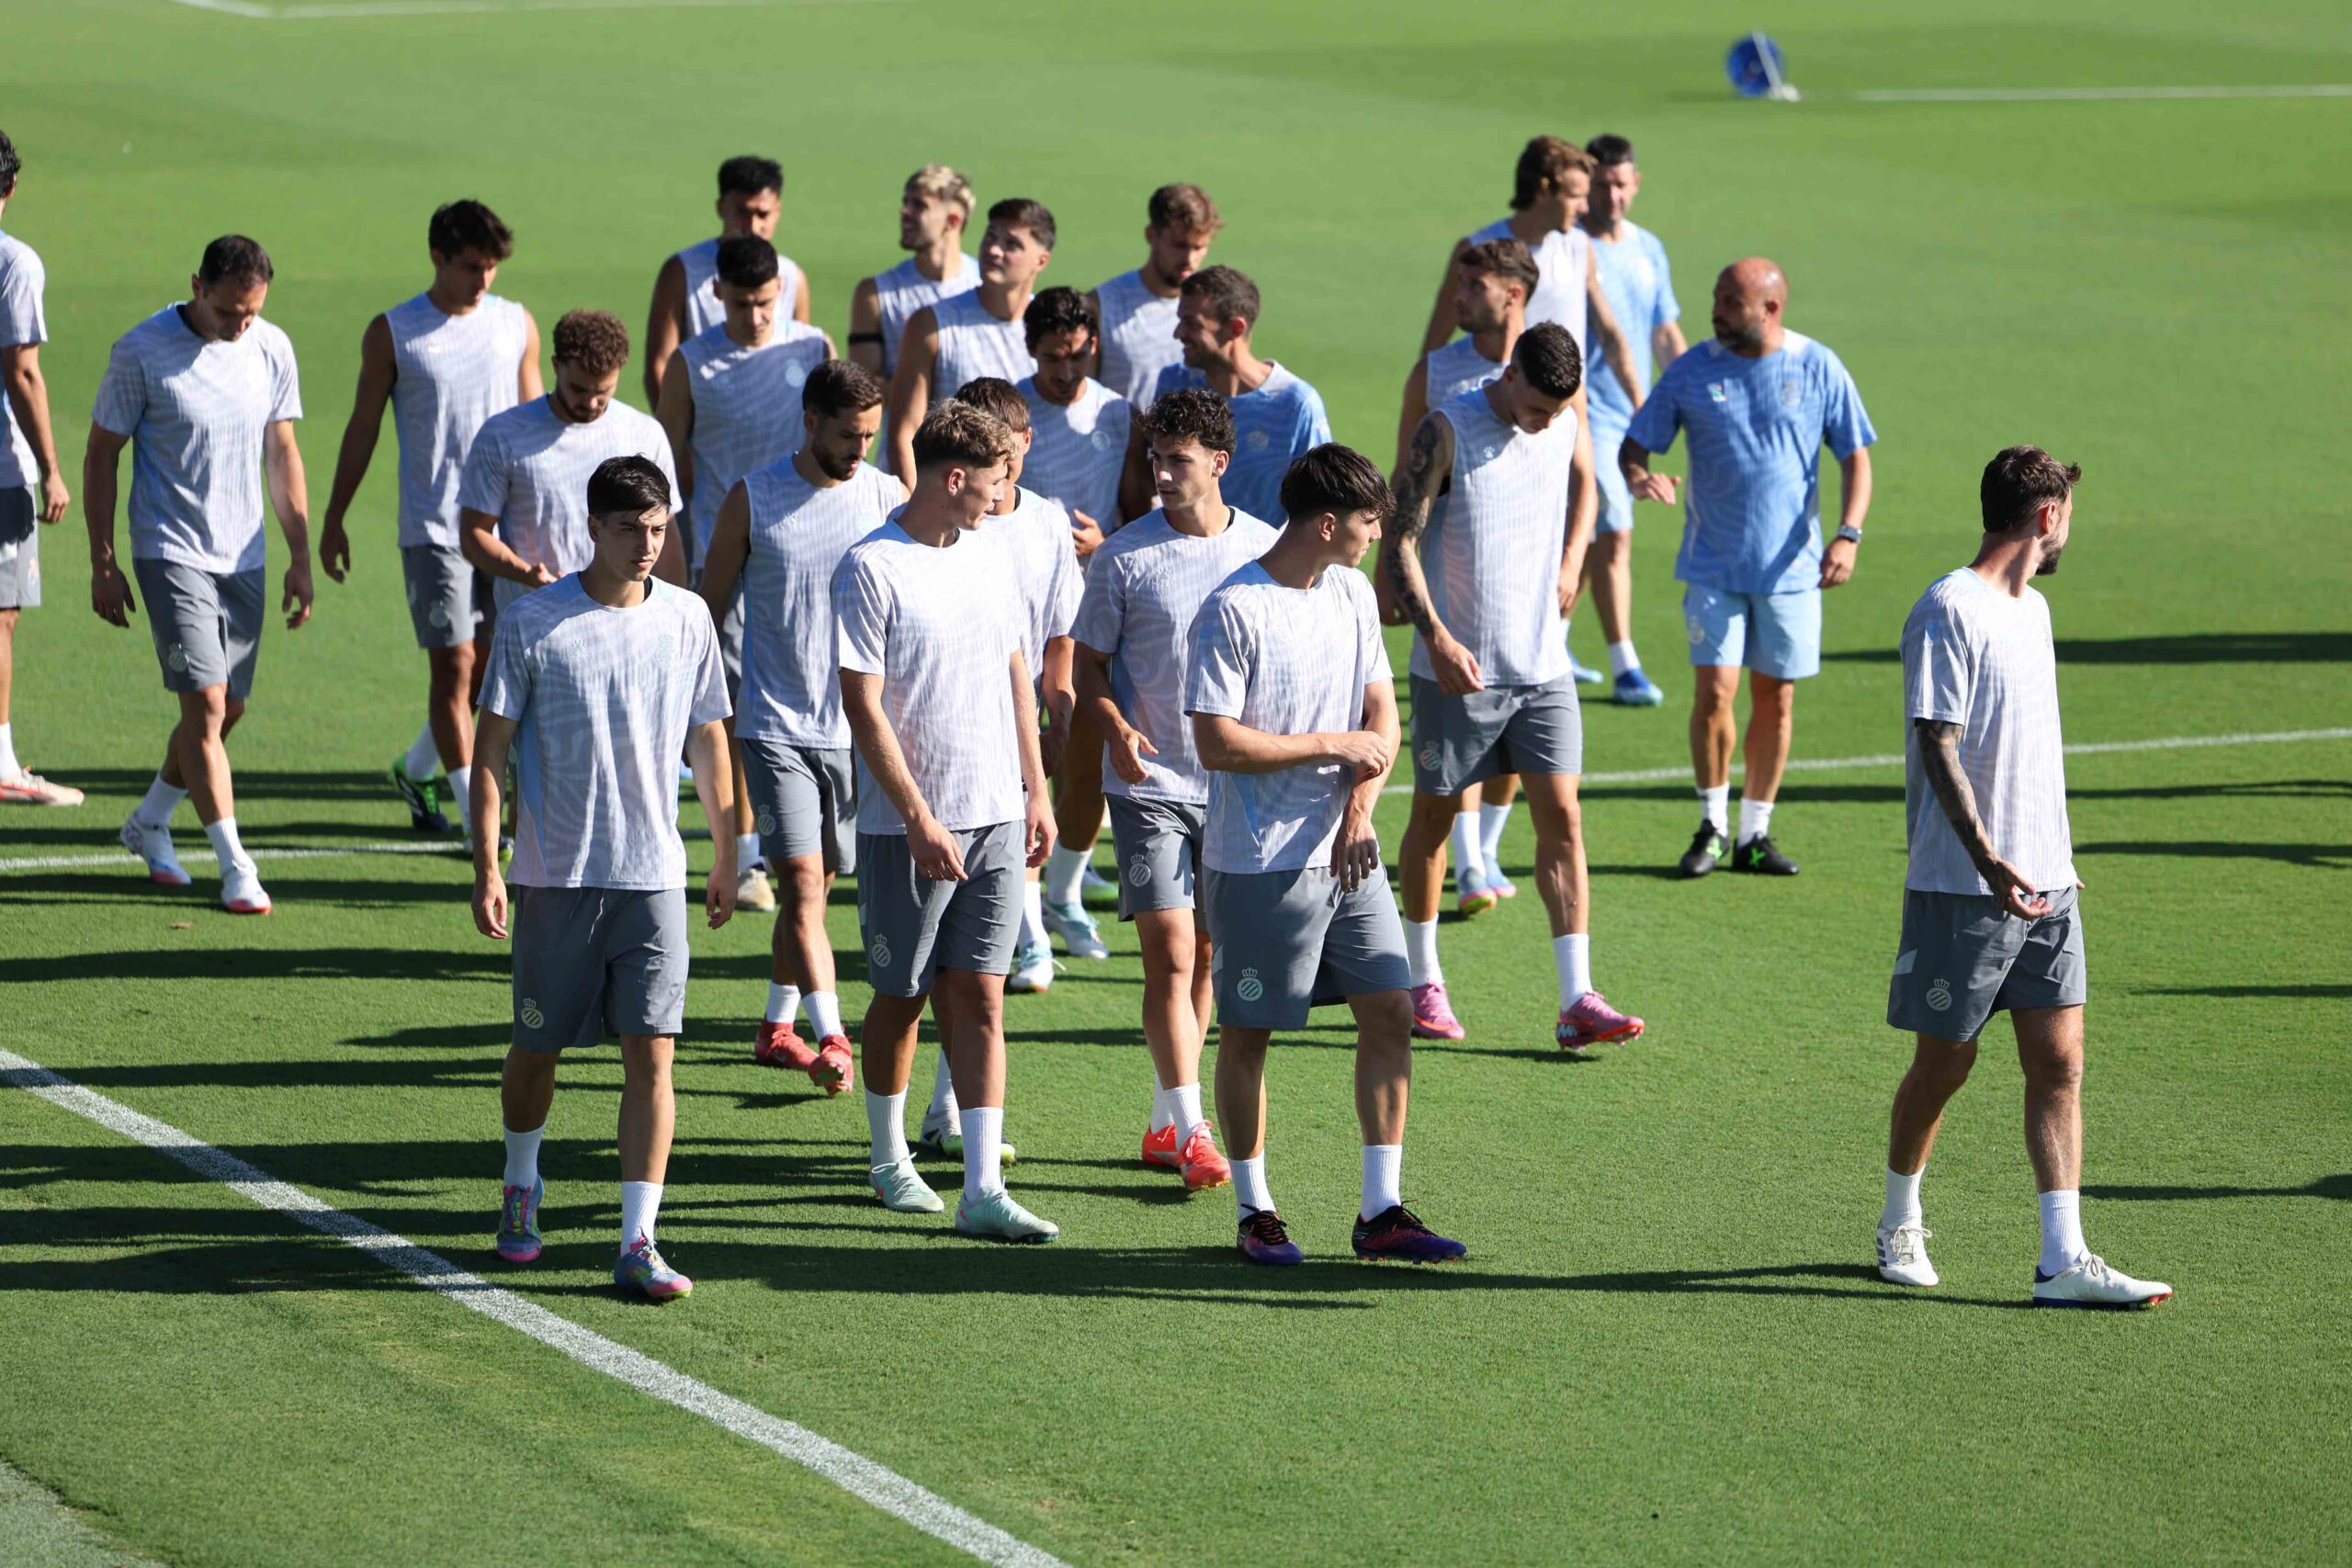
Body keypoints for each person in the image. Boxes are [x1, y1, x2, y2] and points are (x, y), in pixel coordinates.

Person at [1877, 446, 2170, 1310]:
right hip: (1963, 885)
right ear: (2046, 516)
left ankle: (2062, 1257)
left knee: (2061, 1061)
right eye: (2068, 512)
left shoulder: (2033, 611)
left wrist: (2053, 861)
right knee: (1946, 1063)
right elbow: (1938, 742)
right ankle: (1899, 1220)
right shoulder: (1946, 610)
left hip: (2048, 884)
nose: (2070, 527)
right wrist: (1987, 856)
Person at [1186, 443, 1464, 1266]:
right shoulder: (1234, 608)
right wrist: (1328, 747)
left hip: (1350, 851)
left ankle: (1381, 1210)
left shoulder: (1348, 592)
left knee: (1390, 1010)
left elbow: (1381, 717)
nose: (1381, 534)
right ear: (1330, 522)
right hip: (1260, 860)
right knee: (1249, 1034)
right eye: (1372, 521)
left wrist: (1357, 807)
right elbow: (1216, 742)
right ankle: (1255, 1209)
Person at [471, 456, 736, 1303]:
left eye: (658, 528)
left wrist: (729, 848)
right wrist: (487, 865)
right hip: (556, 875)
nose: (646, 544)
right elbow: (490, 756)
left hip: (653, 876)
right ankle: (521, 1183)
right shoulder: (536, 622)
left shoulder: (689, 619)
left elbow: (710, 742)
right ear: (593, 526)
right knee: (537, 1049)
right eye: (629, 528)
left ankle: (637, 1238)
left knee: (653, 1058)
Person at [834, 399, 1059, 1242]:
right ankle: (890, 1158)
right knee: (901, 994)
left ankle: (981, 1188)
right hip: (910, 829)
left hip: (998, 813)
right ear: (954, 476)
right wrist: (918, 815)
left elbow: (1015, 674)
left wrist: (1035, 787)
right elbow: (863, 705)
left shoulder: (990, 554)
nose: (1005, 496)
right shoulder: (871, 565)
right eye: (996, 481)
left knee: (984, 998)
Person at [1386, 322, 1645, 1052]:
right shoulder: (1448, 430)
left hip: (1543, 667)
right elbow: (1400, 539)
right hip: (1456, 673)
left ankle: (1576, 997)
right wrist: (1435, 637)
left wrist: (1572, 557)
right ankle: (1422, 978)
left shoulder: (1564, 415)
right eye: (1535, 408)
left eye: (1556, 411)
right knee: (1434, 823)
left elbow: (1586, 482)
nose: (1545, 423)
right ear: (1509, 372)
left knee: (1562, 817)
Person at [1621, 257, 1875, 879]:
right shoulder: (1691, 370)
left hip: (1792, 571)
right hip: (1711, 566)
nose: (1716, 310)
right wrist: (1639, 477)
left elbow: (1856, 457)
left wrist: (1848, 535)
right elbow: (1635, 445)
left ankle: (1755, 832)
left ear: (1771, 308)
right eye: (1716, 297)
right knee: (1715, 695)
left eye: (1731, 301)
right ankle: (1712, 824)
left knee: (1776, 699)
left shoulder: (1818, 366)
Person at [1071, 387, 1267, 1191]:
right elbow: (1088, 662)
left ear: (1218, 464)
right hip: (1149, 782)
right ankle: (1193, 1128)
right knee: (1170, 951)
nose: (1158, 471)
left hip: (1230, 785)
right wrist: (1114, 723)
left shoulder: (1263, 549)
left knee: (1208, 956)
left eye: (1176, 459)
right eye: (1153, 455)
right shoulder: (1124, 554)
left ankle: (1164, 1116)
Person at [697, 359, 904, 1090]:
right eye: (849, 435)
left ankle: (775, 1025)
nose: (860, 450)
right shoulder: (754, 499)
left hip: (858, 730)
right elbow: (705, 608)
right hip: (774, 723)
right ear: (810, 421)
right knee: (804, 885)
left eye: (872, 436)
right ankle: (833, 1035)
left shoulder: (888, 498)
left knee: (819, 884)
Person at [90, 236, 311, 913]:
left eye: (250, 313)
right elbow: (103, 454)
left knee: (225, 710)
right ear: (196, 286)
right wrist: (103, 560)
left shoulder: (271, 347)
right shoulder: (141, 349)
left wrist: (300, 555)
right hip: (169, 550)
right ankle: (234, 864)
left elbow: (282, 452)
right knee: (207, 706)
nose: (238, 325)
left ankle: (150, 819)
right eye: (226, 312)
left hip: (242, 554)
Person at [318, 199, 537, 844]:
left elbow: (535, 422)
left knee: (494, 669)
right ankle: (480, 822)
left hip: (505, 528)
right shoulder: (396, 331)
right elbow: (362, 427)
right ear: (438, 257)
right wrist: (335, 516)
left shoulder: (515, 324)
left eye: (492, 267)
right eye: (471, 266)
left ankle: (417, 769)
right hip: (433, 527)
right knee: (454, 668)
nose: (483, 280)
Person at [1421, 135, 1643, 687]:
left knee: (1598, 515)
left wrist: (1643, 409)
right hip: (1487, 416)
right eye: (1574, 194)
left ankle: (1567, 652)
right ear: (1544, 190)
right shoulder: (1482, 252)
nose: (1585, 206)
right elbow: (1435, 345)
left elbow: (1611, 333)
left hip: (1564, 411)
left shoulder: (1577, 248)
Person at [657, 234, 833, 915]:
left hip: (804, 555)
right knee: (730, 707)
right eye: (743, 303)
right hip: (723, 555)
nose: (758, 315)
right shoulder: (692, 362)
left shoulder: (812, 347)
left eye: (767, 302)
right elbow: (667, 459)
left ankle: (805, 837)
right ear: (716, 295)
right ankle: (747, 852)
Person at [1384, 236, 1541, 915]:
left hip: (1528, 583)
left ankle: (1485, 849)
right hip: (1451, 584)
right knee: (1463, 729)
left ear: (1513, 292)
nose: (1458, 298)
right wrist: (1391, 575)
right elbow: (1401, 475)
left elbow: (1584, 474)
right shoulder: (1436, 372)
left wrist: (1567, 564)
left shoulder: (1551, 370)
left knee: (1517, 735)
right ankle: (1471, 860)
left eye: (1473, 287)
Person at [949, 378, 1088, 1003]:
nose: (997, 470)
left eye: (1004, 452)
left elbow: (1061, 630)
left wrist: (1059, 711)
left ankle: (1028, 934)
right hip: (951, 709)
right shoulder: (952, 521)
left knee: (1025, 823)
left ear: (1025, 445)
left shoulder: (1047, 522)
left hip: (1020, 711)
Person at [1017, 286, 1130, 942]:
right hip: (1018, 606)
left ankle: (1061, 896)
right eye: (1053, 357)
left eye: (1077, 358)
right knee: (1026, 765)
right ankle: (1025, 922)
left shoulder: (1118, 415)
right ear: (1031, 348)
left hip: (1094, 611)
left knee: (1088, 766)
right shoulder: (1006, 411)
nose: (1064, 371)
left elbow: (1146, 515)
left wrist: (1103, 545)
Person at [458, 310, 678, 615]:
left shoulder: (644, 433)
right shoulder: (504, 435)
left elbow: (665, 528)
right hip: (534, 621)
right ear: (556, 366)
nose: (590, 403)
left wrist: (673, 611)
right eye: (578, 389)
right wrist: (526, 575)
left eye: (603, 391)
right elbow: (473, 535)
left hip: (624, 621)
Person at [1577, 133, 1686, 708]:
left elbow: (1663, 331)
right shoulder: (1570, 246)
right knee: (1615, 527)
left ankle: (1559, 639)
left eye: (1621, 184)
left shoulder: (1649, 249)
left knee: (1591, 532)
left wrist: (1687, 393)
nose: (1612, 195)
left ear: (1636, 184)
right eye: (1601, 184)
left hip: (1633, 411)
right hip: (1581, 411)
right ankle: (1626, 665)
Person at [1119, 266, 1329, 526]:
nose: (1178, 333)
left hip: (1260, 564)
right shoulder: (1175, 383)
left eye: (1192, 324)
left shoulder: (1296, 404)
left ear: (1235, 329)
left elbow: (1317, 505)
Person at [0, 128, 78, 807]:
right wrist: (51, 467)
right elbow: (22, 370)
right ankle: (0, 760)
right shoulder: (14, 263)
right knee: (0, 612)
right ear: (11, 189)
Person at [885, 198, 1054, 481]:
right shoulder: (931, 324)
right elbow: (906, 431)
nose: (993, 250)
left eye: (1011, 244)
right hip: (950, 506)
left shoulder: (1050, 331)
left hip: (1023, 508)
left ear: (1041, 260)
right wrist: (924, 516)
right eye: (990, 236)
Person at [642, 156, 808, 408]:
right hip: (702, 425)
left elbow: (798, 358)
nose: (753, 226)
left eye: (763, 214)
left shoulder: (793, 277)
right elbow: (660, 365)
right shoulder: (682, 271)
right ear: (721, 208)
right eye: (742, 212)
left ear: (777, 211)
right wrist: (675, 439)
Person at [1090, 183, 1220, 406]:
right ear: (1151, 236)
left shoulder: (1216, 309)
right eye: (1179, 245)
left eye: (1199, 248)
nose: (1189, 259)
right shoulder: (1101, 305)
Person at [847, 165, 978, 382]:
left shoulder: (985, 285)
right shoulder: (875, 294)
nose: (904, 211)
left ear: (952, 221)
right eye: (905, 202)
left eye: (919, 205)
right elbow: (862, 390)